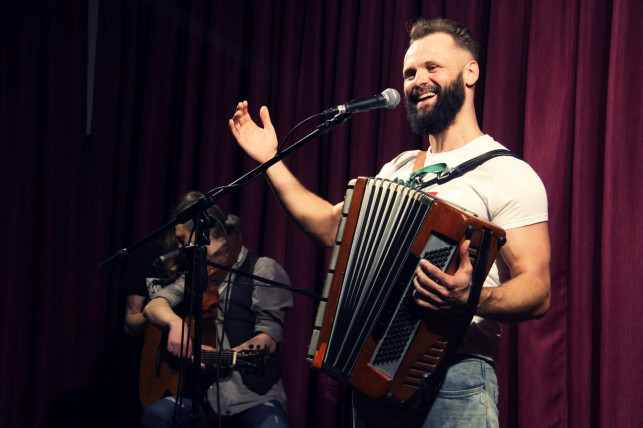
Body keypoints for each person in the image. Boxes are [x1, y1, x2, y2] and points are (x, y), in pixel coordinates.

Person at [229, 17, 550, 428]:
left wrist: (470, 299)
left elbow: (537, 290)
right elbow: (330, 227)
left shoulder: (507, 172)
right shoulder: (397, 169)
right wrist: (271, 162)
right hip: (372, 377)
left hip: (455, 379)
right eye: (410, 73)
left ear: (471, 72)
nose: (417, 81)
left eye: (432, 67)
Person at [139, 190, 293, 428]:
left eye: (182, 240)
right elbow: (154, 305)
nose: (180, 247)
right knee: (157, 416)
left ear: (201, 236)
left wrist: (221, 359)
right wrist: (175, 323)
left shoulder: (262, 269)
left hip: (251, 399)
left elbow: (268, 340)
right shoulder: (195, 276)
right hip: (200, 398)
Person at [120, 231, 181, 336]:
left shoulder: (206, 265)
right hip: (152, 344)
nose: (181, 245)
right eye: (181, 238)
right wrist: (158, 313)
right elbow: (130, 324)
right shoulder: (146, 258)